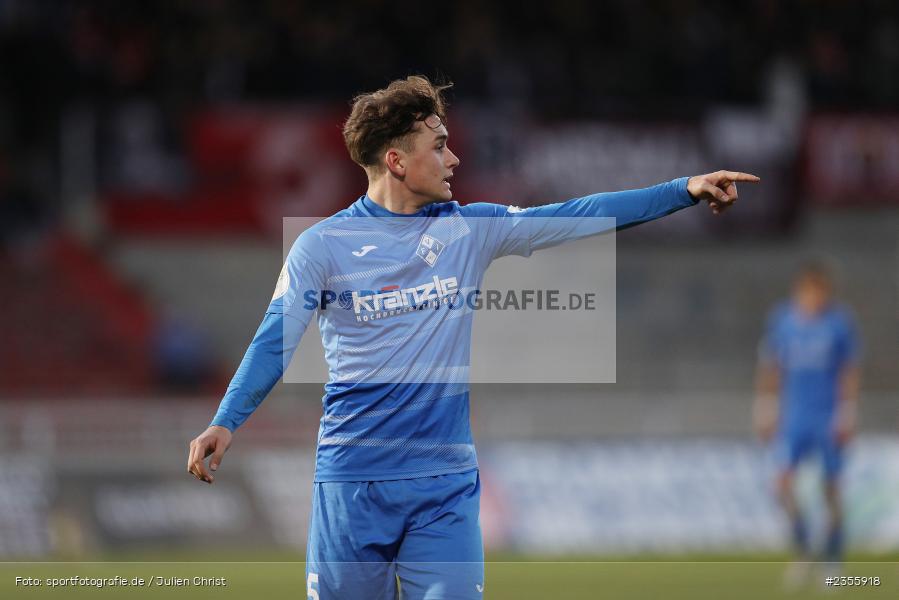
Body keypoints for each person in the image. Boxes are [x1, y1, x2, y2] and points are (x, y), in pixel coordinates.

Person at [187, 75, 759, 599]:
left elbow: (580, 212)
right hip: (354, 484)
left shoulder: (469, 229)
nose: (454, 158)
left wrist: (683, 189)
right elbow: (275, 340)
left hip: (444, 486)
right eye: (439, 146)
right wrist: (226, 420)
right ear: (396, 161)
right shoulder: (322, 247)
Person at [754, 262, 861, 583]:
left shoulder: (838, 323)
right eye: (808, 292)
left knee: (831, 489)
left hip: (828, 417)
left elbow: (849, 369)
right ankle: (802, 548)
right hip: (794, 417)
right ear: (799, 291)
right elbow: (771, 366)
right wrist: (765, 408)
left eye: (819, 292)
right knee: (782, 485)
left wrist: (847, 412)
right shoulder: (783, 321)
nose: (813, 298)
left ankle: (833, 558)